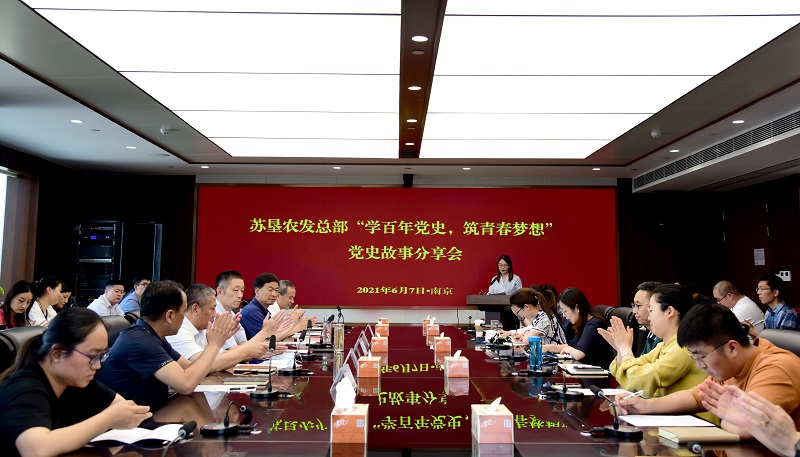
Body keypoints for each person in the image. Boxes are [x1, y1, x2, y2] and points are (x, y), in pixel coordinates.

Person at [616, 302, 800, 438]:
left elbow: (747, 428)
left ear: (732, 348)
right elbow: (697, 396)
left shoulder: (775, 368)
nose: (699, 365)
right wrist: (645, 406)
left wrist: (728, 419)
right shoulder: (731, 367)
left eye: (701, 357)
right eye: (694, 357)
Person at [0, 308, 152, 457]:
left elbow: (120, 405)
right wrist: (109, 419)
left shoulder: (75, 380)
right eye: (93, 356)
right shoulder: (24, 388)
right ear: (57, 353)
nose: (98, 365)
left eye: (101, 356)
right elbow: (36, 450)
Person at [97, 280, 240, 409]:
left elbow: (190, 367)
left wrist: (216, 342)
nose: (185, 317)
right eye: (183, 312)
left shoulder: (152, 334)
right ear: (170, 315)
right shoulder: (140, 341)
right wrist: (214, 345)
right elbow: (186, 385)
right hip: (124, 422)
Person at [602, 284, 706, 398]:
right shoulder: (663, 345)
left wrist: (624, 348)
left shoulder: (683, 347)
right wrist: (620, 349)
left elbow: (637, 381)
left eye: (651, 310)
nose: (649, 317)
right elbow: (622, 374)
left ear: (669, 312)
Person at [166, 284, 285, 371]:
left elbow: (224, 355)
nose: (215, 314)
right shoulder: (179, 332)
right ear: (195, 309)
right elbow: (205, 366)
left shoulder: (203, 328)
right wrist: (261, 337)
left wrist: (255, 350)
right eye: (212, 309)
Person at [699, 384, 800, 457]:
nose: (701, 366)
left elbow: (789, 445)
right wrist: (749, 426)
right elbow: (787, 446)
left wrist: (793, 441)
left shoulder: (775, 367)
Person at [542, 287, 613, 367]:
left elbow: (579, 354)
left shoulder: (593, 325)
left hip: (598, 372)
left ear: (577, 308)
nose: (564, 316)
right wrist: (549, 348)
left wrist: (569, 350)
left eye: (565, 311)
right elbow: (571, 345)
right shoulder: (584, 324)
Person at [240, 273, 298, 341]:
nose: (274, 294)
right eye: (270, 290)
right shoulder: (252, 311)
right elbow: (267, 340)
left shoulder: (265, 310)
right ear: (257, 291)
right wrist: (296, 326)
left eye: (276, 290)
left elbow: (273, 334)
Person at [501, 288, 567, 345]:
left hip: (558, 355)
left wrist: (526, 333)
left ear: (526, 307)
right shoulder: (540, 317)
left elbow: (526, 341)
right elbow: (530, 329)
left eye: (518, 311)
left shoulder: (544, 319)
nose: (519, 314)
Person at [632, 281, 663, 355]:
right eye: (634, 305)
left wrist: (624, 347)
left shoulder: (664, 339)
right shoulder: (651, 333)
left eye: (638, 305)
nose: (634, 311)